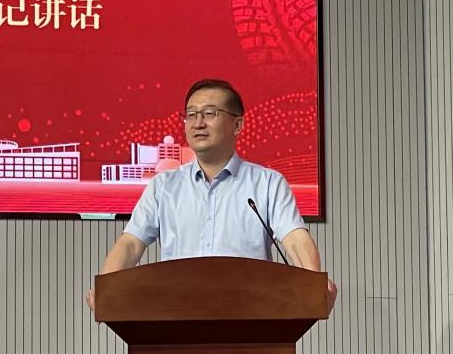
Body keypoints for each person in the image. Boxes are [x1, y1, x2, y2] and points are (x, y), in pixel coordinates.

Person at [86, 78, 336, 312]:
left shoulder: (268, 183)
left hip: (250, 314)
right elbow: (131, 244)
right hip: (177, 315)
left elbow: (294, 238)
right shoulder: (163, 186)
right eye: (191, 114)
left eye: (209, 113)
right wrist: (106, 289)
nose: (198, 123)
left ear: (237, 125)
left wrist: (313, 285)